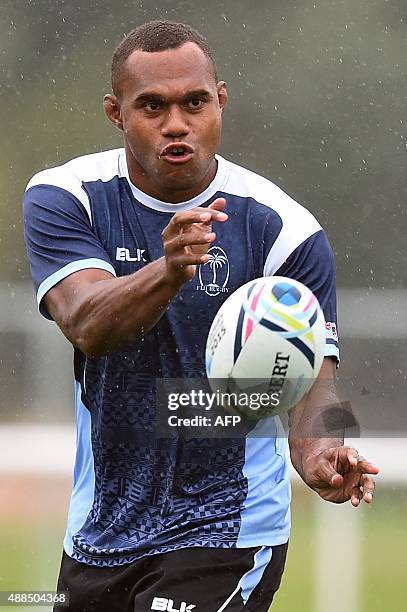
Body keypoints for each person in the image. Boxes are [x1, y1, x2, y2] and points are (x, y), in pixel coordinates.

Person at [23, 20, 379, 612]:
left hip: (228, 530)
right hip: (100, 533)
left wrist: (323, 451)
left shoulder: (284, 232)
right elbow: (86, 322)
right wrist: (168, 271)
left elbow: (317, 382)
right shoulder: (67, 197)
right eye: (151, 106)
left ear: (221, 100)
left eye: (194, 102)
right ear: (115, 113)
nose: (176, 123)